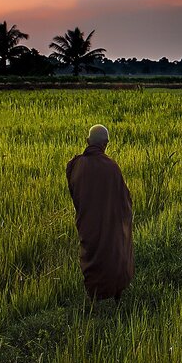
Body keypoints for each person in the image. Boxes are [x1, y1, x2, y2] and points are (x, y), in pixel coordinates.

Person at [66, 124, 134, 301]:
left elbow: (74, 193)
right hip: (109, 223)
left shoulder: (75, 165)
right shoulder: (111, 167)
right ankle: (116, 294)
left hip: (87, 223)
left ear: (87, 141)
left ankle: (93, 298)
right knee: (114, 253)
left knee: (91, 255)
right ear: (106, 144)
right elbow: (124, 198)